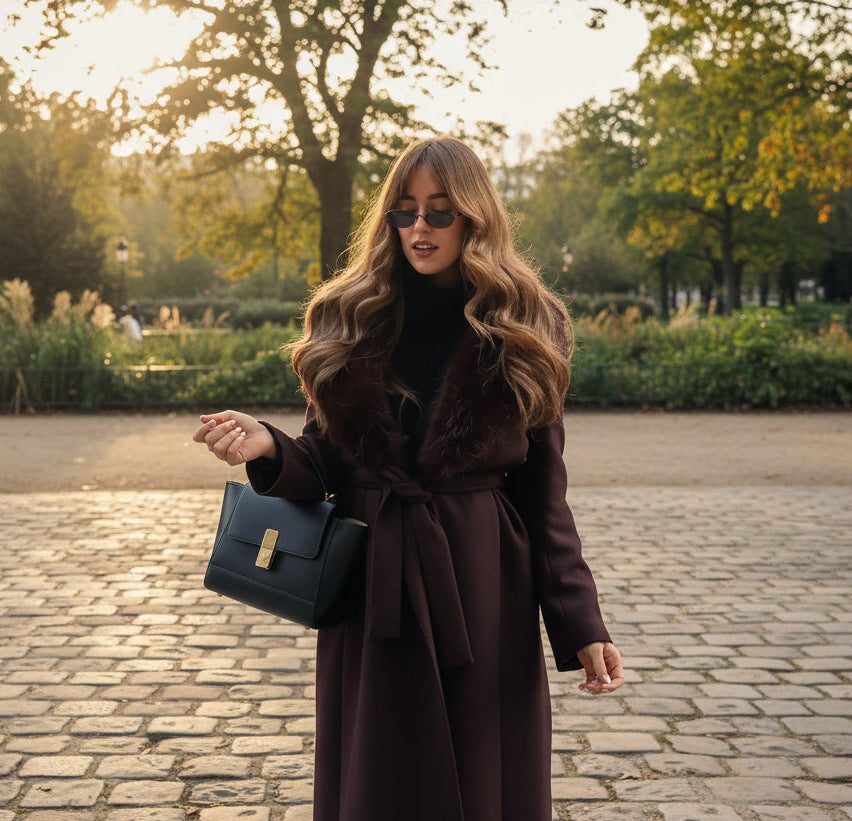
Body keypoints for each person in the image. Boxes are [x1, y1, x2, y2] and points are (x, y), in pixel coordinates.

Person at [193, 136, 624, 821]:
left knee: (484, 774)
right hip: (375, 587)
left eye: (439, 212)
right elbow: (324, 463)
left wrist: (579, 621)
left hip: (483, 581)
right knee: (380, 777)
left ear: (474, 218)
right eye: (405, 211)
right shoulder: (350, 314)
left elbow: (545, 494)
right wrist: (267, 446)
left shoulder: (525, 322)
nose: (419, 227)